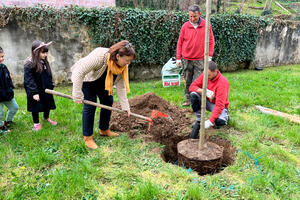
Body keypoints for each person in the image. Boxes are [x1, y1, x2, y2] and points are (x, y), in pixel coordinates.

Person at [71, 40, 136, 149]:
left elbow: (121, 86)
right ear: (118, 56)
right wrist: (77, 94)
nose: (128, 63)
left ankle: (104, 129)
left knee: (108, 101)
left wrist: (125, 107)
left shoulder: (123, 66)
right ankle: (88, 137)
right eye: (127, 60)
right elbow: (79, 72)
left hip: (104, 82)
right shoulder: (100, 56)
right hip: (88, 80)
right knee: (90, 105)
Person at [176, 4, 215, 106]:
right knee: (188, 80)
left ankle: (197, 101)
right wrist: (178, 58)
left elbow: (211, 41)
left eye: (195, 16)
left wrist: (209, 56)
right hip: (186, 58)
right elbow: (180, 42)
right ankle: (188, 99)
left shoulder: (206, 25)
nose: (192, 19)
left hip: (200, 59)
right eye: (190, 16)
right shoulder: (185, 26)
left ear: (200, 14)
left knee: (198, 81)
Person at [189, 61, 229, 139]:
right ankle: (199, 120)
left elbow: (219, 105)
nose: (206, 77)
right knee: (193, 95)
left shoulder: (222, 82)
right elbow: (192, 87)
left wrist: (210, 121)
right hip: (206, 101)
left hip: (217, 105)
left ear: (216, 71)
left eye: (209, 75)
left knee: (219, 121)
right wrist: (204, 91)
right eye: (205, 74)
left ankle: (225, 116)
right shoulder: (205, 75)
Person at [24, 40, 57, 131]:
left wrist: (51, 85)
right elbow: (29, 80)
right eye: (43, 52)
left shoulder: (44, 62)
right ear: (36, 52)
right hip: (35, 89)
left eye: (46, 52)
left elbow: (48, 75)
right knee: (35, 105)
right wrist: (34, 92)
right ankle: (36, 123)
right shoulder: (29, 64)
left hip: (46, 88)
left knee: (47, 102)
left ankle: (46, 118)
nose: (45, 54)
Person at [0, 46, 19, 134]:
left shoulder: (3, 67)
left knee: (14, 107)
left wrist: (10, 89)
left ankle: (8, 121)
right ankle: (1, 128)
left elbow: (9, 79)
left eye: (2, 56)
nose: (1, 59)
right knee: (0, 113)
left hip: (7, 94)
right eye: (0, 57)